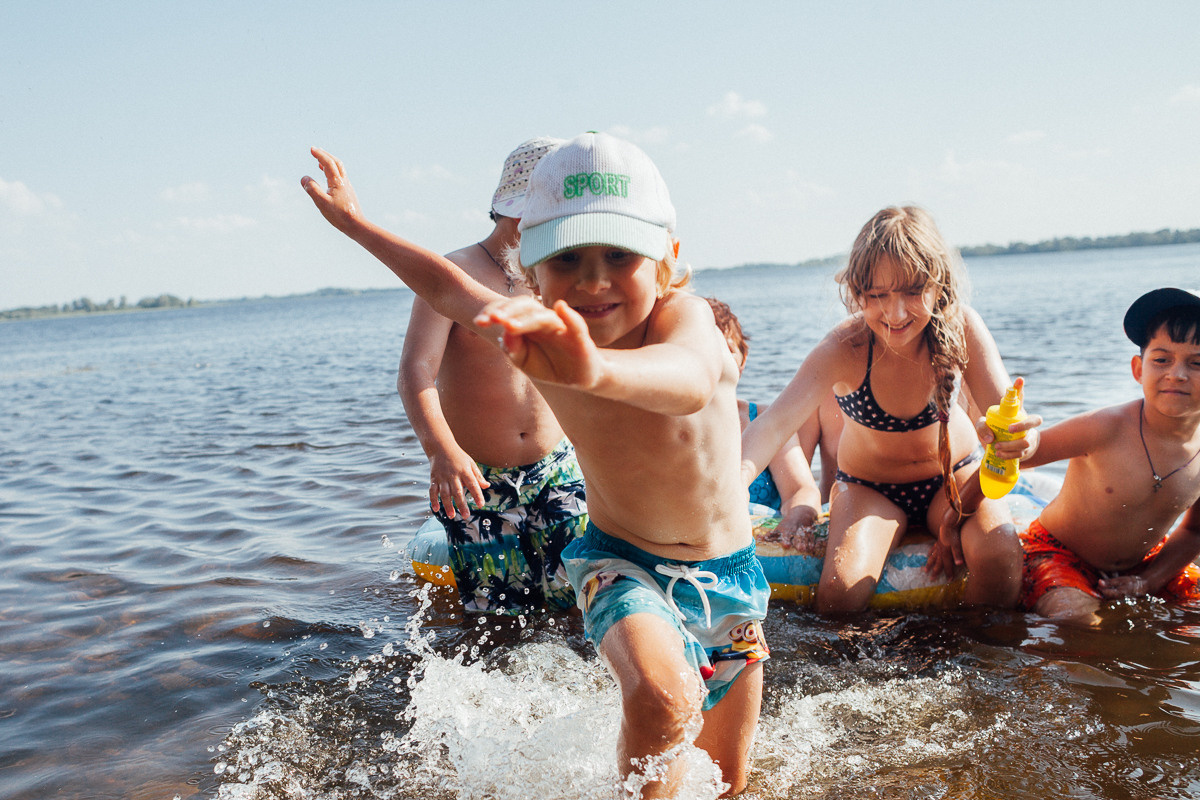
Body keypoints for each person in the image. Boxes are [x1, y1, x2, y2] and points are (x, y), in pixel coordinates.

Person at [303, 132, 769, 798]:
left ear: (667, 258)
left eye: (619, 254)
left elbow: (692, 379)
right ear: (531, 269)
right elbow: (446, 287)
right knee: (664, 702)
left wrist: (597, 370)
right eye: (569, 257)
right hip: (621, 563)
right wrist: (355, 225)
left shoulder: (687, 320)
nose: (593, 279)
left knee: (730, 785)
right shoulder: (534, 338)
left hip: (731, 579)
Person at [740, 205, 1036, 615]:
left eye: (913, 292)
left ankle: (974, 662)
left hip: (954, 478)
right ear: (857, 293)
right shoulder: (845, 349)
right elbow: (774, 425)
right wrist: (733, 483)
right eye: (878, 296)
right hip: (870, 489)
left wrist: (1021, 438)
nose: (896, 314)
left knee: (1001, 556)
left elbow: (1009, 415)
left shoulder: (962, 326)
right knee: (841, 594)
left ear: (939, 286)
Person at [396, 137, 589, 617]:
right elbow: (416, 369)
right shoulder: (456, 271)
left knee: (582, 606)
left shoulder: (554, 273)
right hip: (478, 478)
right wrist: (441, 451)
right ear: (518, 208)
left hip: (558, 469)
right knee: (494, 621)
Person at [1000, 288, 1200, 624]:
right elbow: (1020, 455)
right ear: (1138, 369)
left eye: (1197, 363)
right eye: (1162, 359)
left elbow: (1194, 532)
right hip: (1057, 550)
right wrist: (958, 516)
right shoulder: (1105, 427)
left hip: (1145, 560)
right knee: (1077, 621)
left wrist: (1149, 580)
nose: (1177, 374)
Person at [705, 296, 820, 539]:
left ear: (743, 360)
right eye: (706, 349)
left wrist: (796, 517)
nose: (720, 360)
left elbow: (801, 490)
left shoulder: (765, 418)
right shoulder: (667, 423)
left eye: (728, 350)